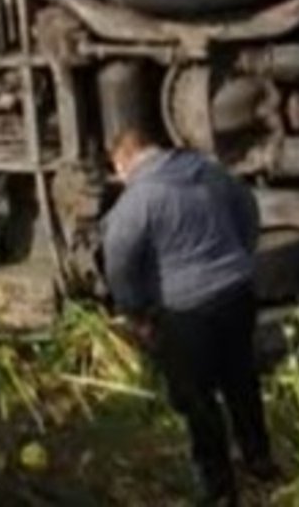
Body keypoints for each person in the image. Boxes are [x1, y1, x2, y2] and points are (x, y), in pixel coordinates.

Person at [102, 101, 275, 506]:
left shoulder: (137, 201)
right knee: (241, 381)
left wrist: (135, 312)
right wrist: (240, 255)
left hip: (186, 312)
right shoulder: (208, 170)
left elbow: (119, 264)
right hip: (236, 294)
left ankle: (220, 489)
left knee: (197, 400)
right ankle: (260, 459)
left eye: (118, 169)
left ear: (125, 160)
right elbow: (248, 209)